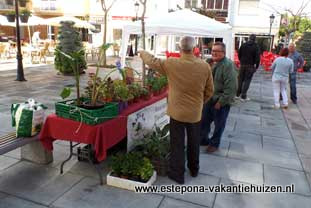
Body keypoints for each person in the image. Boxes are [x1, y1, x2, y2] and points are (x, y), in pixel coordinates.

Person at [139, 36, 214, 184]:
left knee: (177, 144)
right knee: (194, 142)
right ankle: (194, 169)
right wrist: (199, 103)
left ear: (180, 49)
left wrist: (142, 52)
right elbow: (210, 91)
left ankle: (177, 174)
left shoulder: (171, 63)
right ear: (194, 49)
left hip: (177, 112)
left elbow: (152, 61)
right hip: (194, 113)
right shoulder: (204, 66)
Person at [200, 42, 237, 153]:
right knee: (204, 121)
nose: (214, 53)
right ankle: (203, 140)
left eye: (217, 51)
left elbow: (231, 87)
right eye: (213, 51)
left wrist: (221, 102)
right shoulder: (210, 63)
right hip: (208, 99)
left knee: (219, 124)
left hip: (220, 101)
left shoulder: (228, 65)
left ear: (223, 53)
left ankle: (214, 143)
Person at [236, 34, 260, 101]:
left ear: (249, 38)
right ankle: (243, 96)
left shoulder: (243, 45)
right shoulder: (256, 46)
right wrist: (256, 66)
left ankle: (237, 94)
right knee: (247, 80)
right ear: (255, 39)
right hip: (250, 65)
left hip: (242, 64)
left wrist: (241, 61)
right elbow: (257, 57)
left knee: (240, 80)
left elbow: (239, 53)